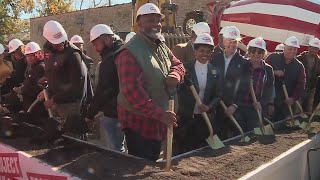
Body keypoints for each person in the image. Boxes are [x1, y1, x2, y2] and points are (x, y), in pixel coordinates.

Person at [115, 3, 185, 161]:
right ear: (139, 23)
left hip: (158, 121)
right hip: (139, 125)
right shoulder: (128, 53)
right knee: (140, 166)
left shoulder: (161, 46)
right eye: (150, 20)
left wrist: (175, 75)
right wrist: (161, 115)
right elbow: (132, 92)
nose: (156, 24)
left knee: (153, 161)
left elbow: (178, 64)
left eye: (158, 20)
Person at [36, 20, 88, 143]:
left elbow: (76, 87)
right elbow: (54, 72)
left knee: (72, 139)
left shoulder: (73, 55)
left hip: (70, 105)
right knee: (58, 137)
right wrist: (47, 86)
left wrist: (54, 99)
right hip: (57, 102)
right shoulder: (48, 51)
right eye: (55, 42)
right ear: (48, 40)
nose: (59, 44)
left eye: (61, 41)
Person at [174, 33, 220, 154]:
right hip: (185, 117)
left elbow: (218, 95)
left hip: (203, 119)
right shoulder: (185, 68)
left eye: (208, 51)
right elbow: (176, 91)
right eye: (201, 50)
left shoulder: (214, 71)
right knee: (182, 149)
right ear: (195, 51)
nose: (204, 54)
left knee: (199, 150)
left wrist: (208, 106)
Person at [85, 24, 124, 150]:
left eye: (96, 44)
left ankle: (117, 169)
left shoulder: (109, 60)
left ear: (106, 39)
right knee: (121, 147)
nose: (96, 49)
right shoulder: (123, 51)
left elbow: (103, 90)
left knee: (114, 150)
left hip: (113, 113)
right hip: (125, 110)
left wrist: (90, 114)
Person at [210, 26, 250, 139]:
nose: (232, 45)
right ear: (223, 41)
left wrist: (234, 105)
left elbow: (244, 87)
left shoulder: (243, 63)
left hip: (234, 108)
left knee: (233, 139)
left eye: (235, 42)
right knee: (216, 134)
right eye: (229, 41)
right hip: (216, 105)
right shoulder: (215, 59)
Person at [233, 37, 274, 132]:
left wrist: (262, 103)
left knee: (253, 134)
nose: (256, 54)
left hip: (256, 107)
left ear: (264, 54)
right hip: (240, 106)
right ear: (249, 52)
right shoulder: (242, 65)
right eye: (253, 51)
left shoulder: (268, 69)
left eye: (260, 52)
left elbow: (269, 89)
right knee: (238, 133)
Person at [266, 36, 306, 122]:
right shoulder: (273, 57)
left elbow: (301, 84)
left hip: (285, 102)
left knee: (280, 126)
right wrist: (274, 72)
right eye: (290, 49)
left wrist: (293, 98)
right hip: (269, 100)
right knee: (266, 122)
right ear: (284, 47)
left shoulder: (299, 66)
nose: (292, 51)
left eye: (294, 49)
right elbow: (262, 72)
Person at [14, 42, 47, 125]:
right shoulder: (34, 67)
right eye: (27, 56)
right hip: (30, 106)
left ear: (38, 54)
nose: (29, 58)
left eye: (32, 55)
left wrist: (22, 90)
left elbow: (38, 88)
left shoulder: (40, 67)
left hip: (37, 109)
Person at [296, 38, 320, 112]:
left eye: (316, 48)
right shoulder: (299, 59)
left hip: (311, 90)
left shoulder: (319, 61)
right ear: (309, 47)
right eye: (312, 47)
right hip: (299, 89)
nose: (314, 50)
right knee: (297, 110)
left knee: (308, 110)